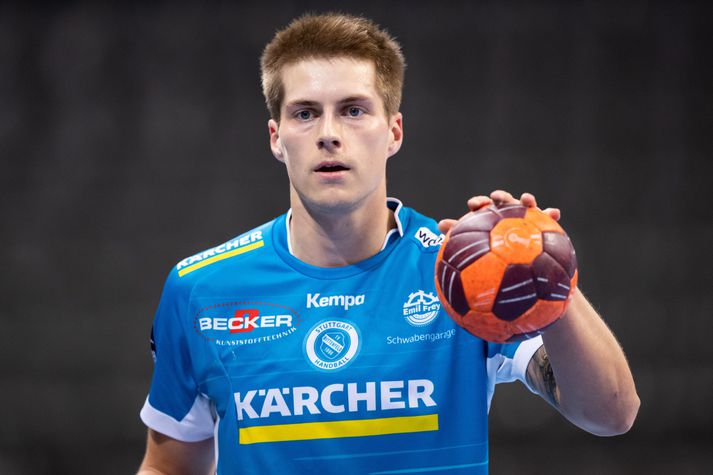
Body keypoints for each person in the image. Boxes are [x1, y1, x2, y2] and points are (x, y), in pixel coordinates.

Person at [137, 13, 639, 474]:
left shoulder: (462, 275)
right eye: (305, 114)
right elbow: (167, 465)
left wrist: (545, 272)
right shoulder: (200, 288)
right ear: (276, 136)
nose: (329, 134)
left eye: (354, 110)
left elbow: (612, 413)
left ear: (393, 130)